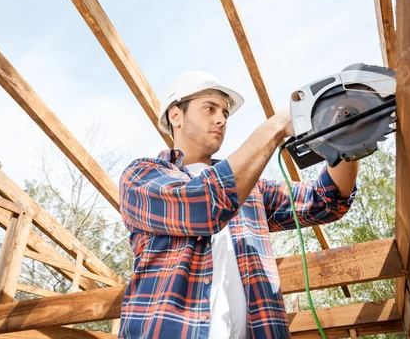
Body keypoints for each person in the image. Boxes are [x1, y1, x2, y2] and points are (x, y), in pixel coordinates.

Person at [118, 70, 358, 338]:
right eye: (209, 108)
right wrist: (276, 125)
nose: (220, 119)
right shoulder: (142, 176)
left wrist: (349, 140)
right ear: (176, 116)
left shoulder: (251, 189)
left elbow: (326, 200)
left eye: (225, 113)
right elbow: (205, 205)